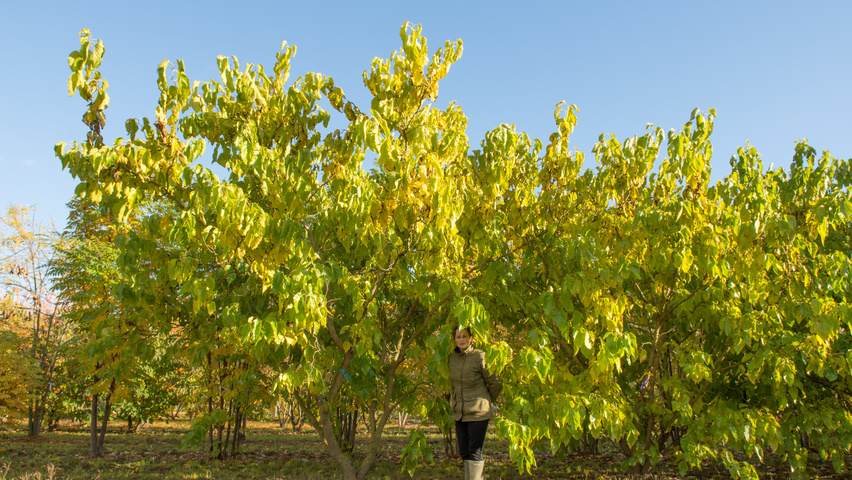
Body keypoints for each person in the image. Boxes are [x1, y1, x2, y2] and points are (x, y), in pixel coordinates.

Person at [448, 325, 502, 480]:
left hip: (478, 412)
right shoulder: (453, 359)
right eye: (458, 337)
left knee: (474, 450)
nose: (461, 340)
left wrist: (487, 401)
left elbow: (496, 382)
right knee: (464, 451)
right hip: (460, 413)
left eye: (464, 336)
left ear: (471, 338)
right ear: (455, 339)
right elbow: (454, 385)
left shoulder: (480, 356)